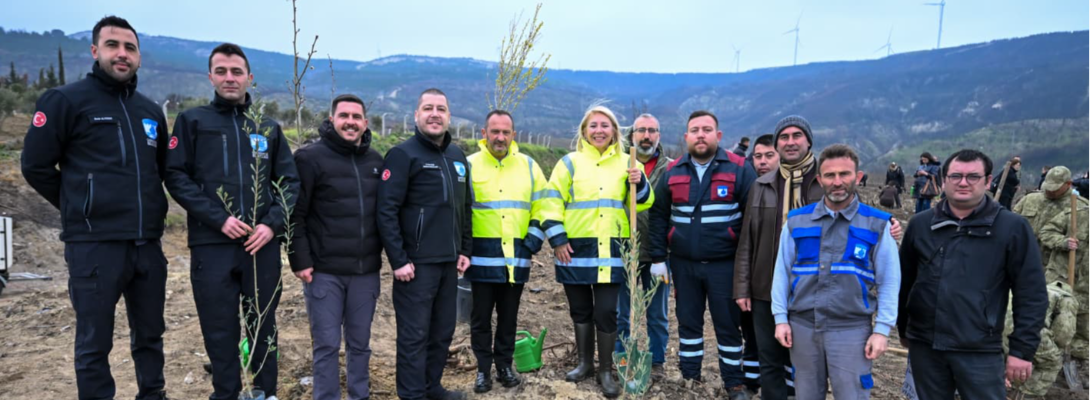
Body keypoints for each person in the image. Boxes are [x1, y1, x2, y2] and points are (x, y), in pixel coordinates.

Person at [21, 15, 172, 400]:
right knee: (94, 342)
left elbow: (160, 173)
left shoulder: (150, 111)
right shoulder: (66, 101)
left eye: (130, 48)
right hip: (94, 246)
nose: (122, 54)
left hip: (147, 247)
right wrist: (80, 205)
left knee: (151, 336)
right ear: (95, 51)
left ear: (138, 56)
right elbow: (35, 166)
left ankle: (152, 395)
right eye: (112, 45)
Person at [164, 43, 299, 400]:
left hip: (261, 247)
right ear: (210, 76)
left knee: (263, 323)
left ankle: (264, 392)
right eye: (221, 71)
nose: (229, 78)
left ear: (249, 78)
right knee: (219, 327)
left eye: (236, 72)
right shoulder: (193, 121)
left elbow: (289, 183)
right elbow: (177, 177)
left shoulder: (267, 128)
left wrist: (271, 225)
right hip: (212, 246)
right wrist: (218, 219)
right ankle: (225, 392)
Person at [897, 149, 1047, 399]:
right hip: (925, 346)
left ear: (988, 181)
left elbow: (1031, 294)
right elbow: (905, 281)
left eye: (973, 177)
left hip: (979, 349)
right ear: (944, 180)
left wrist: (1022, 350)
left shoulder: (1011, 228)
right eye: (955, 176)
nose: (963, 182)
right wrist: (904, 329)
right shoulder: (921, 225)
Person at [540, 105, 653, 398]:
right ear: (584, 131)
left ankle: (605, 371)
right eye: (593, 126)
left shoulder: (629, 163)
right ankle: (584, 364)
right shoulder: (569, 163)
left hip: (612, 250)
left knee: (605, 312)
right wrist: (558, 240)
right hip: (574, 249)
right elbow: (550, 203)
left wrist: (638, 184)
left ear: (615, 131)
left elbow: (643, 202)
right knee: (580, 310)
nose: (599, 130)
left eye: (605, 125)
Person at [770, 144, 900, 400]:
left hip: (851, 330)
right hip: (803, 328)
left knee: (852, 395)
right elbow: (782, 273)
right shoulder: (797, 221)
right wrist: (780, 318)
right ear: (820, 179)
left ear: (858, 177)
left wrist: (882, 329)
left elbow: (889, 282)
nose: (837, 181)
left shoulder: (877, 224)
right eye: (830, 175)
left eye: (845, 174)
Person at [648, 111, 756, 399]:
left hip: (725, 265)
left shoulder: (739, 169)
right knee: (688, 322)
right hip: (684, 265)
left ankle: (734, 382)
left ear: (718, 136)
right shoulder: (673, 172)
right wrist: (659, 259)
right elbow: (658, 217)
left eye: (707, 129)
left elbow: (751, 219)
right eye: (694, 130)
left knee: (727, 325)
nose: (700, 134)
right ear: (686, 137)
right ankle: (690, 377)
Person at [377, 88, 473, 400]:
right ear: (417, 115)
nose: (435, 114)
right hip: (415, 267)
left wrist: (464, 250)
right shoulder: (403, 155)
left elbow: (465, 208)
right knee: (414, 336)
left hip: (448, 263)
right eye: (428, 108)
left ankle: (432, 388)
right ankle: (412, 394)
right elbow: (386, 211)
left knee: (442, 332)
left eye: (441, 109)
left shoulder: (457, 157)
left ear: (449, 116)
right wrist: (398, 259)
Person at [288, 94, 384, 400]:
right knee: (327, 345)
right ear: (332, 120)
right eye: (344, 116)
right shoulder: (309, 158)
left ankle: (359, 395)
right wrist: (299, 259)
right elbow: (294, 214)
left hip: (365, 271)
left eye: (357, 117)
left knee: (360, 344)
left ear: (366, 123)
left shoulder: (376, 162)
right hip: (324, 272)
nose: (350, 122)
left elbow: (387, 214)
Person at [464, 110, 548, 393]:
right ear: (484, 133)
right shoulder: (469, 166)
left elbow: (543, 206)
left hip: (517, 259)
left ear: (514, 135)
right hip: (480, 259)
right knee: (480, 319)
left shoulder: (528, 166)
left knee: (508, 318)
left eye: (506, 132)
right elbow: (461, 212)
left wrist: (532, 242)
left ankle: (504, 365)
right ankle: (482, 370)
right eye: (494, 131)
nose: (500, 137)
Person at [614, 113, 672, 382]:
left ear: (659, 135)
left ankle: (657, 361)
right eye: (641, 131)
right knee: (621, 311)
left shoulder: (671, 169)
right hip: (624, 250)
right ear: (632, 135)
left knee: (657, 312)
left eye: (652, 130)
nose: (646, 135)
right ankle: (623, 356)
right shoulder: (618, 164)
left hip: (659, 253)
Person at [1038, 200, 1090, 379]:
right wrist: (1063, 242)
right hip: (1060, 284)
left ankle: (1078, 369)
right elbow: (1045, 232)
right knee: (1049, 324)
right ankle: (1045, 363)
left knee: (1085, 332)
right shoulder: (1076, 215)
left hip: (1087, 290)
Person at [1002, 281, 1078, 399]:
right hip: (1026, 329)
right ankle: (1028, 395)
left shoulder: (1032, 286)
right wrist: (1055, 347)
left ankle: (1003, 385)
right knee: (1051, 362)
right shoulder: (1067, 299)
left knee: (1006, 356)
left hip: (997, 325)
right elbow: (1063, 332)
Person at [1014, 166, 1090, 265]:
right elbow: (1011, 225)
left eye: (1055, 188)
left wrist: (1063, 242)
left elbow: (1082, 244)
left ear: (1068, 184)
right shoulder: (1029, 200)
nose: (1050, 191)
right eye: (1048, 187)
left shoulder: (1080, 207)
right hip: (1022, 260)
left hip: (1055, 268)